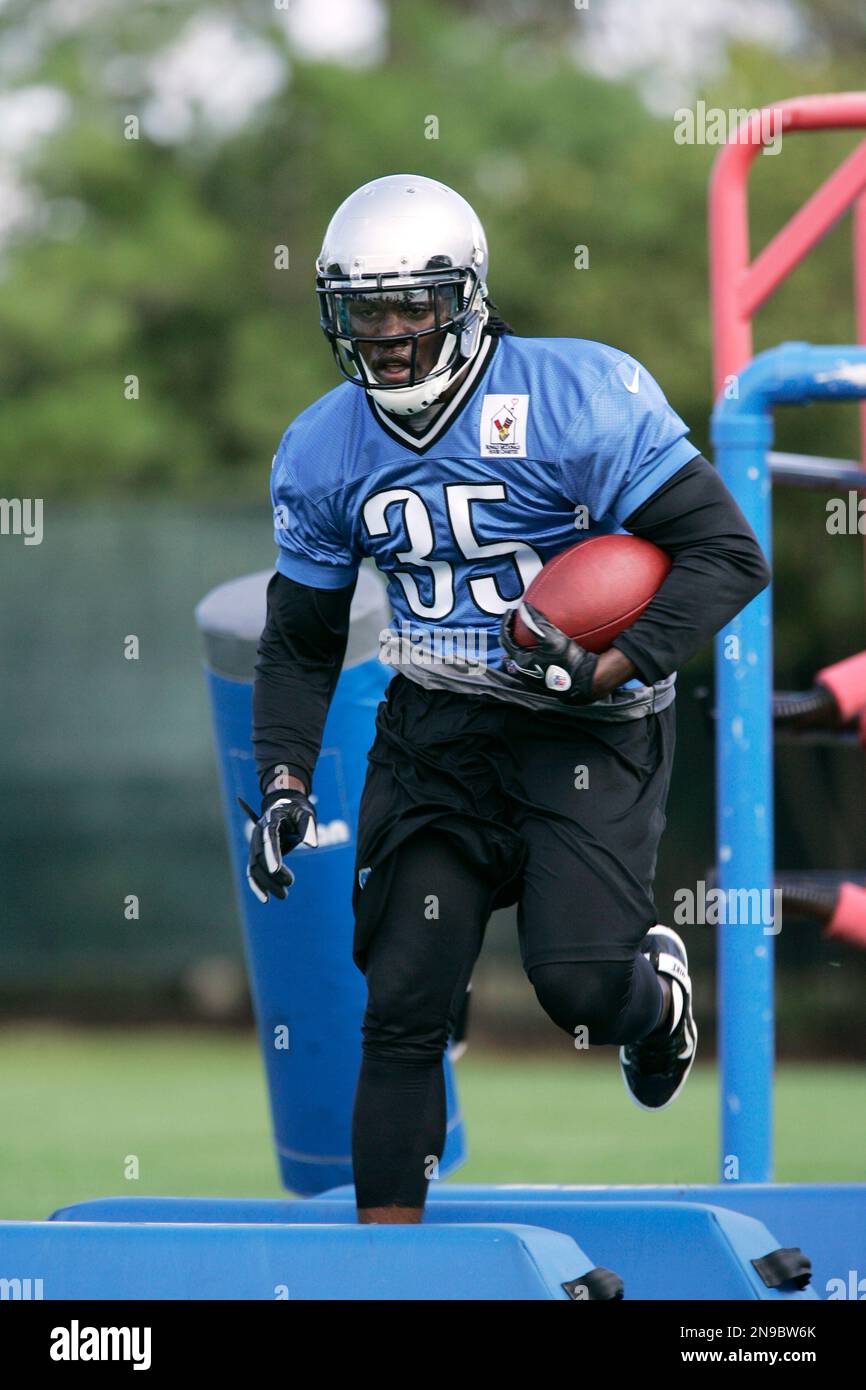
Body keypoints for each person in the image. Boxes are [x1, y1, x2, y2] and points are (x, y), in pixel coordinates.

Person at [247, 174, 771, 1224]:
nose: (387, 334)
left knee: (577, 984)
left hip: (583, 724)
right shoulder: (320, 446)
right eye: (362, 309)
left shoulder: (573, 396)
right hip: (438, 727)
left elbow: (723, 552)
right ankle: (387, 1276)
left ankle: (653, 1002)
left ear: (466, 296)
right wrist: (284, 777)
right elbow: (301, 643)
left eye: (410, 304)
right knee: (398, 1005)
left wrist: (610, 665)